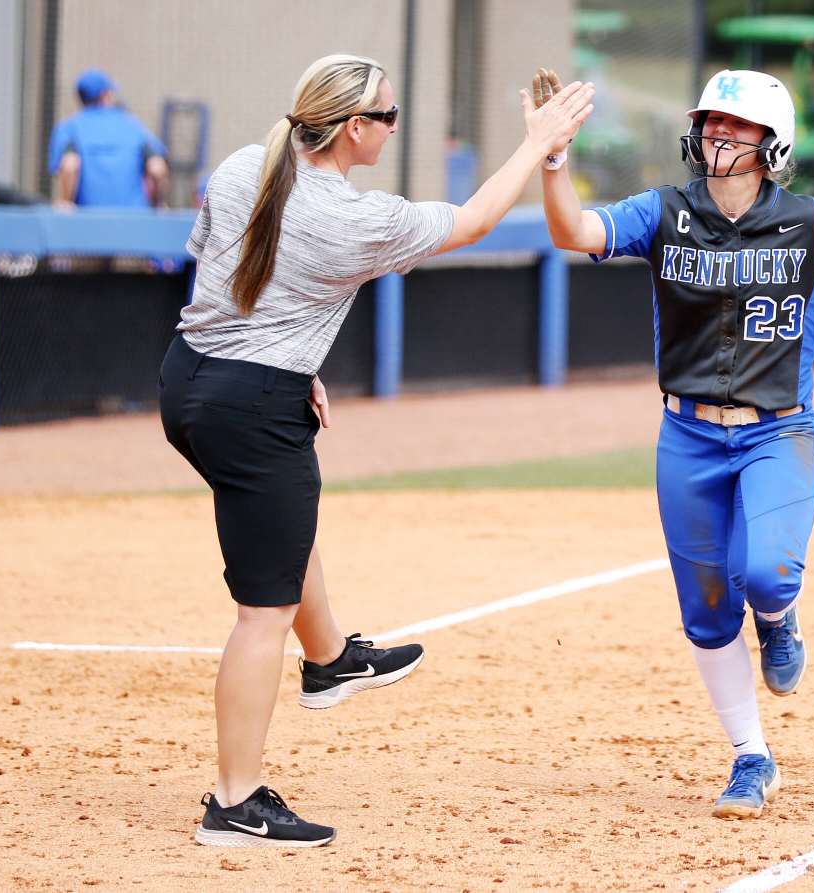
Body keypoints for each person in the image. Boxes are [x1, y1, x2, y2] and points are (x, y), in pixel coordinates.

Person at [159, 54, 593, 847]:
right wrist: (541, 143)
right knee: (263, 613)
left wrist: (295, 361)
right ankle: (235, 799)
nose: (394, 128)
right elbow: (473, 223)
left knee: (285, 521)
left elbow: (223, 271)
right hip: (250, 403)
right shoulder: (354, 217)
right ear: (353, 128)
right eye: (388, 117)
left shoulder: (241, 165)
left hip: (190, 379)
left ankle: (329, 658)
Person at [537, 69, 814, 819]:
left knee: (767, 577)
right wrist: (553, 160)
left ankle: (779, 620)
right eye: (713, 120)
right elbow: (571, 231)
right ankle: (752, 758)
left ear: (772, 144)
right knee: (709, 609)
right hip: (685, 434)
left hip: (778, 429)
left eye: (739, 125)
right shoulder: (664, 213)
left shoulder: (813, 222)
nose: (720, 133)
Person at [48, 68, 169, 208]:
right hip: (134, 220)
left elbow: (70, 166)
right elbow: (157, 168)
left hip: (87, 220)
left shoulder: (68, 128)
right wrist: (157, 203)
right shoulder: (133, 126)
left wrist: (66, 202)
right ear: (105, 95)